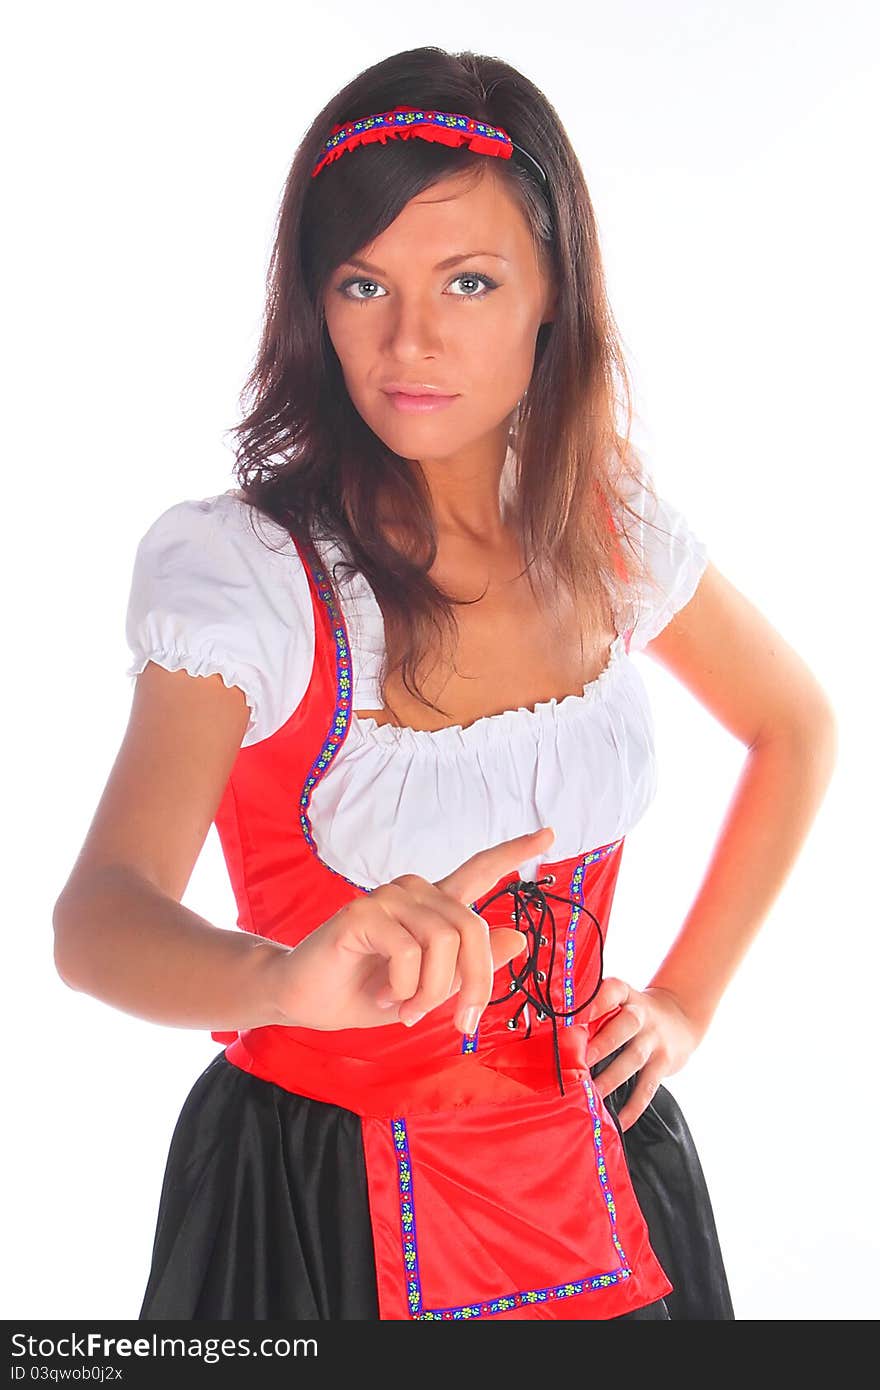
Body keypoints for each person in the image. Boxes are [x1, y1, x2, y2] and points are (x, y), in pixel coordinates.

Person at [52, 47, 838, 1322]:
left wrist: (685, 1002)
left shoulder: (597, 515)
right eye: (364, 283)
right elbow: (95, 918)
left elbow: (792, 725)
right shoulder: (251, 574)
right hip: (316, 1207)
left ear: (550, 297)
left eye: (468, 282)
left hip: (601, 1172)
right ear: (315, 302)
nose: (411, 340)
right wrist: (280, 979)